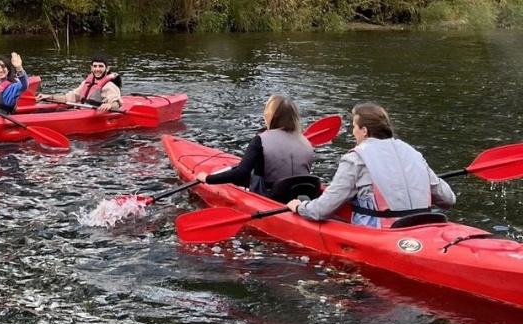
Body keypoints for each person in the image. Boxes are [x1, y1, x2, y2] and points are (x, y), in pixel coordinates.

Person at [287, 103, 456, 227]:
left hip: (385, 235)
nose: (352, 132)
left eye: (354, 127)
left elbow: (321, 210)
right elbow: (448, 199)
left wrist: (301, 207)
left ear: (364, 131)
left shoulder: (356, 158)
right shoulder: (413, 153)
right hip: (423, 229)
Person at [195, 94, 314, 196]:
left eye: (266, 109)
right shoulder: (306, 142)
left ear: (273, 116)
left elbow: (241, 173)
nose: (264, 114)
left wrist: (207, 178)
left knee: (250, 174)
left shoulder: (260, 140)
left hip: (270, 197)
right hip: (300, 195)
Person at [37, 52, 122, 113]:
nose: (97, 69)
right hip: (80, 111)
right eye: (95, 66)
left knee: (56, 111)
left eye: (100, 66)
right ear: (91, 68)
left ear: (107, 69)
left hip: (90, 115)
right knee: (42, 109)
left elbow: (116, 103)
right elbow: (68, 98)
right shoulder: (87, 83)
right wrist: (49, 96)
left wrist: (109, 105)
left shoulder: (110, 86)